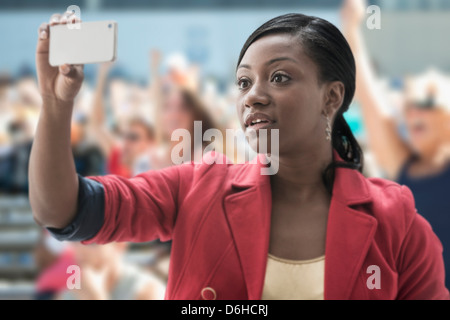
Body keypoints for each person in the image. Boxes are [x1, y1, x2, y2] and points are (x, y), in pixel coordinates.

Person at [30, 11, 448, 299]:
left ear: (331, 97)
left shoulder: (397, 223)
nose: (254, 97)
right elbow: (67, 212)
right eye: (243, 83)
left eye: (279, 77)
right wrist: (54, 105)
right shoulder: (197, 187)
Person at [341, 0, 450, 288]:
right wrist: (352, 30)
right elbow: (368, 96)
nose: (413, 111)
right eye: (410, 105)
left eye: (427, 102)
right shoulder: (404, 165)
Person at [58, 242, 165, 300]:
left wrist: (95, 298)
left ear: (120, 245)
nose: (80, 251)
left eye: (91, 243)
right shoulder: (72, 289)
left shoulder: (147, 290)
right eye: (74, 242)